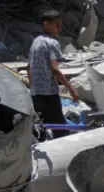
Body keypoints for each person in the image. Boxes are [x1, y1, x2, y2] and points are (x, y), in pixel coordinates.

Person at [27, 10, 79, 140]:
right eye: (56, 25)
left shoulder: (36, 42)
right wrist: (71, 89)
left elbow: (29, 68)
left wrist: (33, 87)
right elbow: (55, 69)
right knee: (60, 129)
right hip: (49, 94)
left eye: (60, 25)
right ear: (46, 24)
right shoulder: (52, 43)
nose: (60, 28)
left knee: (40, 128)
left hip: (36, 94)